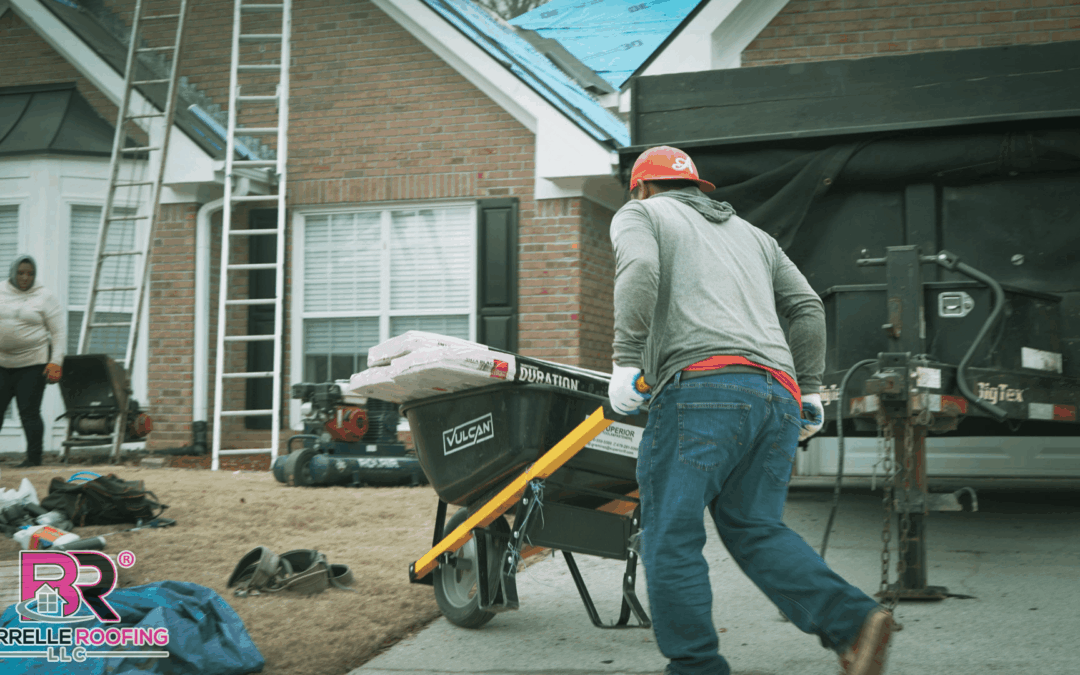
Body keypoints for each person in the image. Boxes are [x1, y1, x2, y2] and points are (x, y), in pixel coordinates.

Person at [608, 146, 894, 675]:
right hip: (778, 399)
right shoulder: (756, 236)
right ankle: (852, 622)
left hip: (701, 390)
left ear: (641, 186)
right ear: (698, 187)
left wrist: (626, 360)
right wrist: (807, 387)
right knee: (755, 526)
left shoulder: (640, 213)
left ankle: (696, 667)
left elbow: (641, 267)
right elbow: (806, 306)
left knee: (670, 533)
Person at [0, 254, 65, 467]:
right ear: (12, 273)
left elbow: (58, 333)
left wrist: (56, 362)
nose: (25, 278)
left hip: (32, 364)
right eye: (20, 273)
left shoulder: (45, 297)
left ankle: (34, 459)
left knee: (29, 412)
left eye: (30, 273)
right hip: (1, 363)